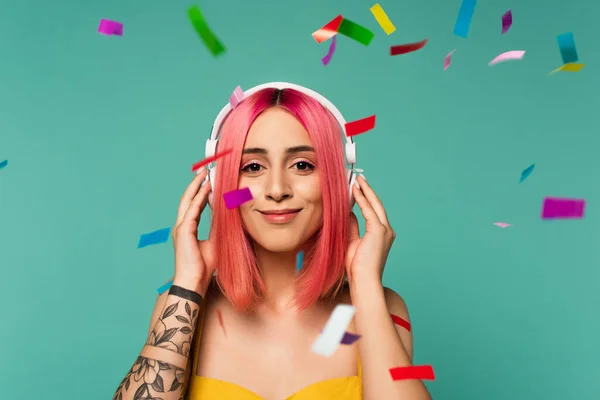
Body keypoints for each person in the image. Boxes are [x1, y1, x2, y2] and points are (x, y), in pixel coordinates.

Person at [113, 84, 432, 400]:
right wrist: (188, 281)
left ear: (341, 184)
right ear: (218, 186)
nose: (277, 189)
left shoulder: (383, 306)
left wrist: (365, 283)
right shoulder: (183, 300)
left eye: (303, 165)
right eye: (252, 167)